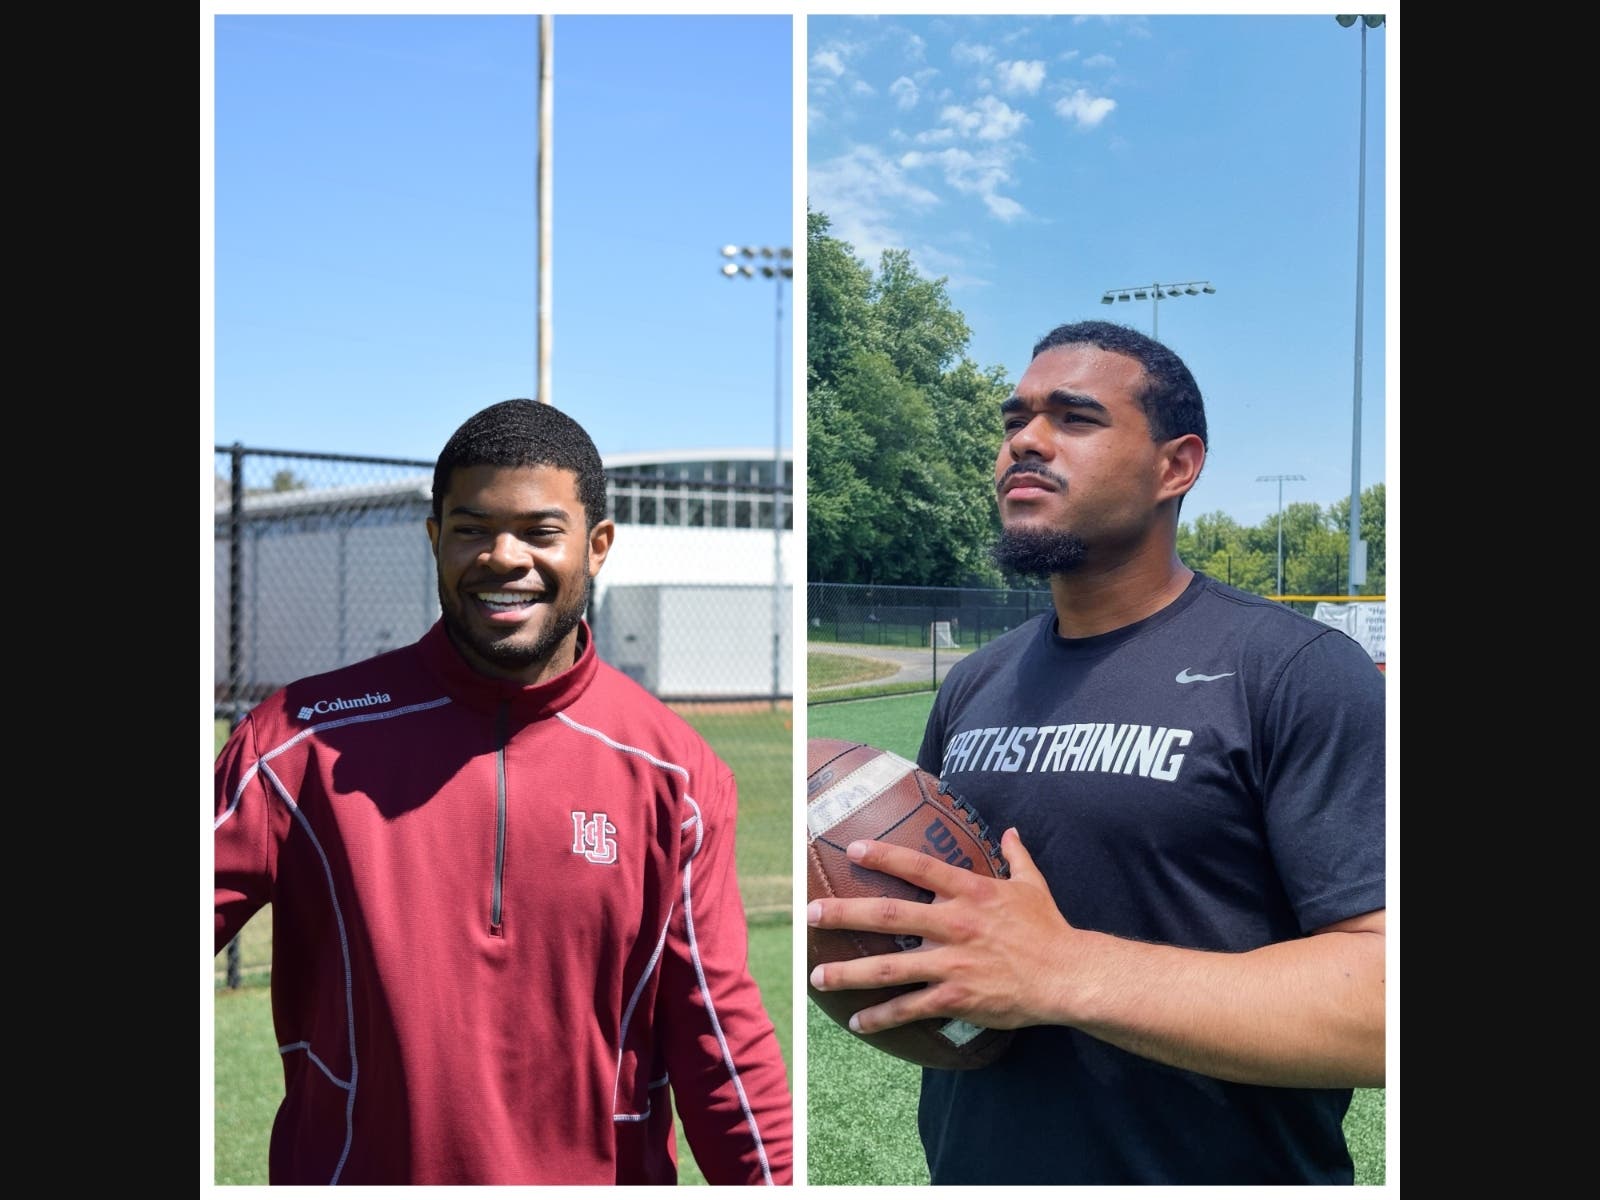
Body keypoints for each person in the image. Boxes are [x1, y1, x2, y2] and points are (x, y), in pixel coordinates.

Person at [805, 320, 1385, 1185]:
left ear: (1175, 467)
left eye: (1073, 419)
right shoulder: (978, 682)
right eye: (1014, 422)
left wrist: (1061, 971)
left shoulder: (1293, 670)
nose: (1024, 443)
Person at [214, 398, 793, 1186]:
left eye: (539, 532)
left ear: (597, 546)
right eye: (472, 529)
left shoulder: (677, 774)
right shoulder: (297, 740)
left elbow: (717, 1031)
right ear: (434, 540)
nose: (503, 557)